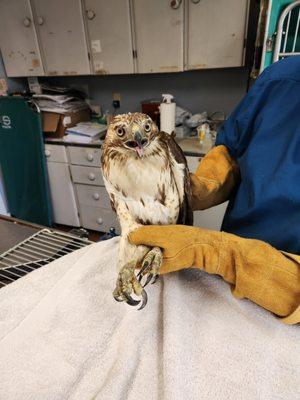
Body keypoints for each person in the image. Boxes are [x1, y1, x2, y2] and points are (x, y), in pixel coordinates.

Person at [129, 56, 300, 325]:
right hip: (223, 284)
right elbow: (232, 152)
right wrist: (195, 189)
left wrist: (215, 254)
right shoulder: (283, 78)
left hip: (284, 305)